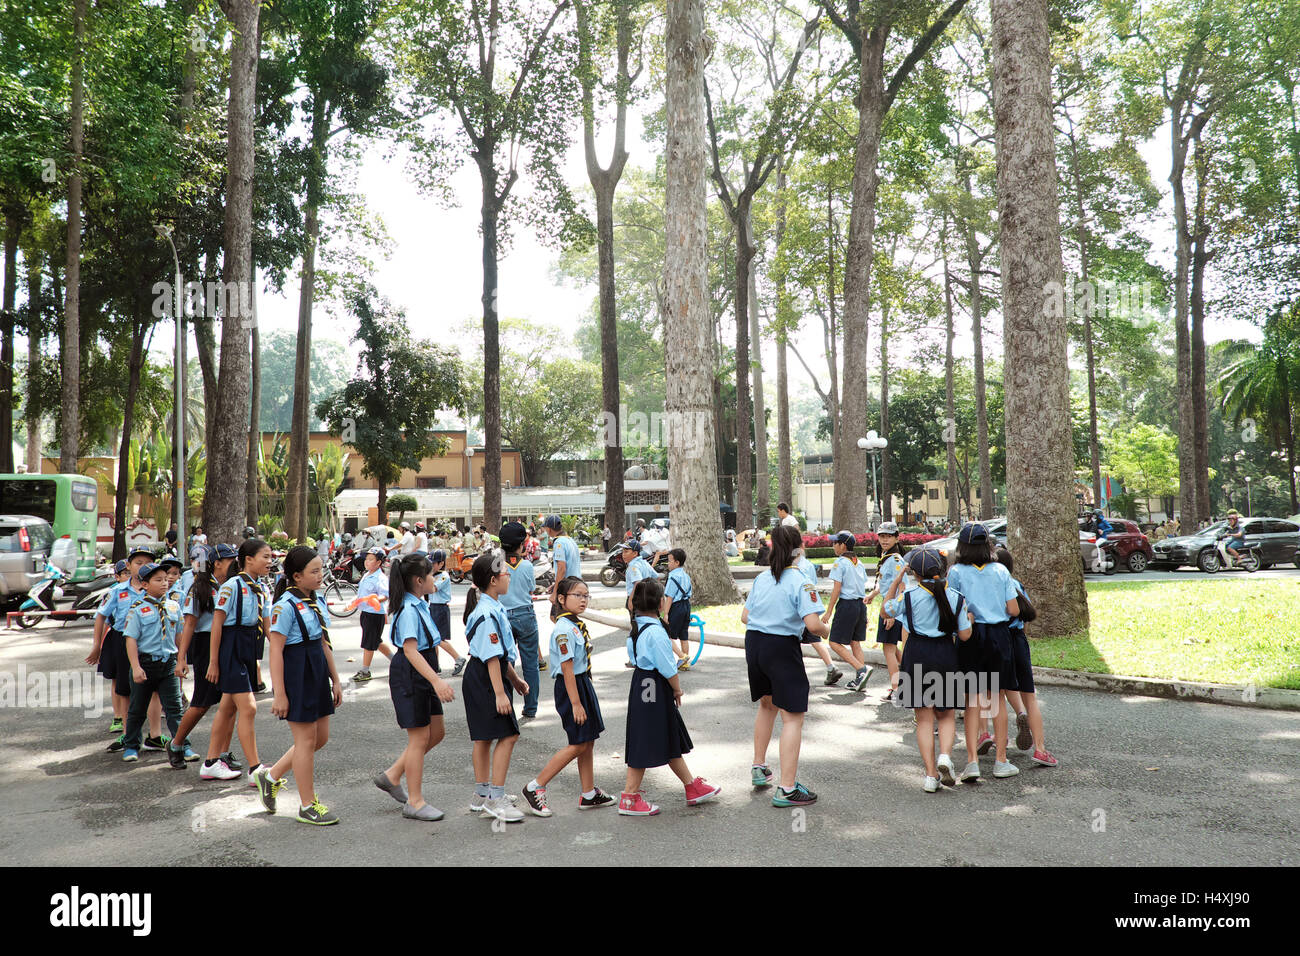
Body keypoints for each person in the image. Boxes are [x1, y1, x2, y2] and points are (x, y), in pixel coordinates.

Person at [741, 524, 830, 807]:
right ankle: (787, 788)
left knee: (767, 704)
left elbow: (745, 616)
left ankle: (758, 766)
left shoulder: (762, 578)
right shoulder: (801, 580)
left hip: (754, 643)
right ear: (798, 549)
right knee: (793, 717)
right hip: (781, 647)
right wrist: (828, 630)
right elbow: (813, 624)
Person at [253, 546, 343, 825]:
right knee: (305, 741)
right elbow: (276, 651)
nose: (320, 576)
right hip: (297, 672)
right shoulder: (284, 605)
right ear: (296, 576)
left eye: (320, 570)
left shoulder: (313, 600)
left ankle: (270, 777)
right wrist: (279, 694)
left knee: (319, 738)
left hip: (316, 669)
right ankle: (306, 805)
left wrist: (336, 679)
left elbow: (321, 642)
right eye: (313, 572)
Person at [619, 578, 720, 816]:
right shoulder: (656, 632)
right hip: (655, 686)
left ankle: (691, 786)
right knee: (646, 738)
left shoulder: (638, 628)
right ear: (661, 602)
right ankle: (629, 797)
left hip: (643, 685)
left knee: (667, 735)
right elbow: (668, 668)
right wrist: (677, 689)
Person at [371, 552, 456, 821]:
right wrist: (436, 680)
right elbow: (410, 651)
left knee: (437, 732)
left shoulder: (419, 603)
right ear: (419, 580)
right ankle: (415, 802)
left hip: (423, 669)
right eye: (431, 575)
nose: (435, 579)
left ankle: (392, 775)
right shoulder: (409, 609)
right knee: (419, 738)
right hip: (412, 673)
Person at [520, 576, 614, 816]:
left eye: (586, 595)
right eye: (577, 595)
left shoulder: (574, 624)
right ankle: (536, 786)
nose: (583, 600)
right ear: (561, 599)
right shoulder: (564, 630)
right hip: (571, 686)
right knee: (578, 743)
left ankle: (589, 793)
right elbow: (567, 668)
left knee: (588, 740)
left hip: (582, 683)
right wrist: (576, 703)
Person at [882, 547, 973, 791]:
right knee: (946, 715)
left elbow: (885, 611)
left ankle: (931, 775)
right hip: (945, 654)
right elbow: (964, 635)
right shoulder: (955, 596)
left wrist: (895, 583)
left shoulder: (909, 596)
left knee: (923, 719)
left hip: (917, 653)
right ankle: (945, 755)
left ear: (915, 573)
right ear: (942, 569)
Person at [946, 523, 1021, 782]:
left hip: (971, 636)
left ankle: (972, 762)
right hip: (999, 636)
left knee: (972, 701)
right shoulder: (1001, 570)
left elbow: (952, 606)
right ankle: (1001, 760)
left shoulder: (955, 572)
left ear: (962, 546)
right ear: (987, 544)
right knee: (997, 698)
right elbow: (1014, 609)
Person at [462, 550, 529, 822]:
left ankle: (482, 793)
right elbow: (492, 656)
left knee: (483, 737)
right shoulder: (488, 612)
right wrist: (501, 693)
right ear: (492, 580)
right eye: (505, 574)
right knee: (509, 735)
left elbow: (498, 654)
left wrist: (514, 679)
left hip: (483, 676)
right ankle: (496, 799)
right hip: (487, 679)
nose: (509, 576)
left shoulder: (491, 605)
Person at [206, 537, 274, 787]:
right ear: (248, 559)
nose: (270, 561)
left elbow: (268, 628)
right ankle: (255, 768)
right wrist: (214, 661)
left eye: (270, 556)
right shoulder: (232, 586)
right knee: (249, 707)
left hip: (250, 646)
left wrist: (282, 652)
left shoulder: (263, 588)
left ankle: (212, 762)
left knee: (228, 707)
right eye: (265, 557)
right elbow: (217, 624)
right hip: (231, 647)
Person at [172, 544, 239, 775]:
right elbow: (190, 623)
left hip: (227, 643)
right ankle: (177, 743)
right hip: (204, 644)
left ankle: (223, 753)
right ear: (217, 563)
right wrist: (181, 659)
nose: (235, 564)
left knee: (231, 702)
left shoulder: (232, 585)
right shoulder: (200, 587)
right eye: (231, 560)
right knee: (202, 702)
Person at [91, 547, 166, 752]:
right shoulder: (118, 591)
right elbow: (101, 616)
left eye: (147, 563)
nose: (143, 566)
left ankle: (155, 735)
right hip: (122, 641)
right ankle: (127, 734)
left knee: (154, 690)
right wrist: (97, 644)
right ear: (129, 566)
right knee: (124, 689)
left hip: (150, 643)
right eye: (138, 563)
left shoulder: (157, 589)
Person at [994, 548, 1057, 767]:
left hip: (998, 639)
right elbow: (1025, 614)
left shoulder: (991, 586)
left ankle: (999, 751)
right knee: (1030, 696)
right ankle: (1040, 749)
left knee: (997, 695)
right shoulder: (1016, 584)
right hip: (1018, 639)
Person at [119, 562, 187, 763]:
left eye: (166, 579)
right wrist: (136, 667)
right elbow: (130, 639)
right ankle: (131, 746)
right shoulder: (137, 609)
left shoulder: (174, 606)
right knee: (137, 709)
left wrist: (181, 661)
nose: (165, 583)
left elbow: (179, 635)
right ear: (145, 585)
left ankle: (182, 745)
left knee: (175, 708)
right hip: (145, 664)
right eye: (158, 580)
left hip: (168, 664)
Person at [499, 522, 542, 720]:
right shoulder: (526, 565)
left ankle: (506, 704)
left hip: (502, 616)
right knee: (530, 664)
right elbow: (531, 589)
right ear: (522, 543)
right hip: (525, 615)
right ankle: (530, 707)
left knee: (505, 663)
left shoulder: (496, 563)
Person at [822, 530, 873, 692]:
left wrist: (829, 611)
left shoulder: (840, 563)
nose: (832, 546)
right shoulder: (859, 562)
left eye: (834, 543)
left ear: (842, 545)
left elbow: (837, 589)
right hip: (860, 605)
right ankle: (861, 679)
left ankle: (861, 669)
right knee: (854, 642)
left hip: (847, 605)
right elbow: (862, 586)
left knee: (834, 642)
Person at [866, 522, 906, 699]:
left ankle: (897, 689)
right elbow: (887, 582)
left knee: (888, 649)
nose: (885, 539)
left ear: (897, 538)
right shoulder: (887, 557)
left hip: (892, 608)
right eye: (882, 536)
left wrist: (892, 613)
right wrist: (874, 594)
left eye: (889, 536)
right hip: (889, 605)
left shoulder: (896, 559)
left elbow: (901, 586)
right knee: (893, 649)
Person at [793, 544, 841, 685]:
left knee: (798, 640)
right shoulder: (808, 564)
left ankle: (798, 672)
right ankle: (831, 667)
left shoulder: (799, 567)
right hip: (809, 605)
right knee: (815, 639)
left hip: (802, 607)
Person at [351, 547, 394, 683]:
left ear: (379, 563)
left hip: (374, 614)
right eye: (366, 559)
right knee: (375, 640)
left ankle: (365, 670)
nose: (367, 562)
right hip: (366, 612)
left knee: (369, 643)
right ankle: (396, 660)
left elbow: (385, 595)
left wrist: (375, 599)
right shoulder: (367, 574)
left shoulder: (380, 577)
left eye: (371, 559)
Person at [426, 549, 467, 676]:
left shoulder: (443, 576)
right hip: (432, 607)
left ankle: (458, 658)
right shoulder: (433, 575)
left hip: (440, 609)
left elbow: (432, 589)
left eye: (433, 563)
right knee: (433, 638)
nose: (431, 566)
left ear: (441, 564)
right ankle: (435, 665)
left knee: (439, 639)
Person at [662, 549, 693, 669]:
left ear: (677, 563)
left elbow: (669, 597)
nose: (668, 564)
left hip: (676, 607)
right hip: (686, 606)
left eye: (669, 561)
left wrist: (666, 614)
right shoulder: (686, 575)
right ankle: (685, 664)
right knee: (683, 636)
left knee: (666, 634)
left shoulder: (673, 576)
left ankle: (681, 657)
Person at [541, 514, 581, 605]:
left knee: (558, 616)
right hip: (576, 584)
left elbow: (562, 568)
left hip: (567, 587)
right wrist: (556, 584)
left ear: (549, 529)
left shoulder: (559, 543)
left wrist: (555, 593)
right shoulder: (570, 540)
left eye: (546, 528)